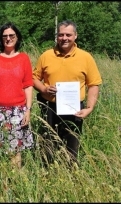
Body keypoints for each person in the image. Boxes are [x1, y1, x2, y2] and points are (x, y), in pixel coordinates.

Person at [32, 20, 102, 166]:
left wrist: (89, 108)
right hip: (49, 106)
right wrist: (44, 89)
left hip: (74, 108)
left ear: (75, 36)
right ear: (57, 36)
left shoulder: (85, 57)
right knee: (48, 144)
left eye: (68, 35)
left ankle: (71, 174)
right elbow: (33, 78)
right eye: (61, 35)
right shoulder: (46, 55)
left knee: (72, 145)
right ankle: (48, 172)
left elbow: (93, 84)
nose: (64, 38)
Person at [0, 22, 34, 169]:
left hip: (17, 111)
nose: (8, 38)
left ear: (17, 37)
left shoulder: (24, 58)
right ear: (1, 38)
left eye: (11, 35)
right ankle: (2, 181)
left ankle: (15, 181)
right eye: (5, 36)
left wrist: (28, 110)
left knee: (16, 149)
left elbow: (28, 86)